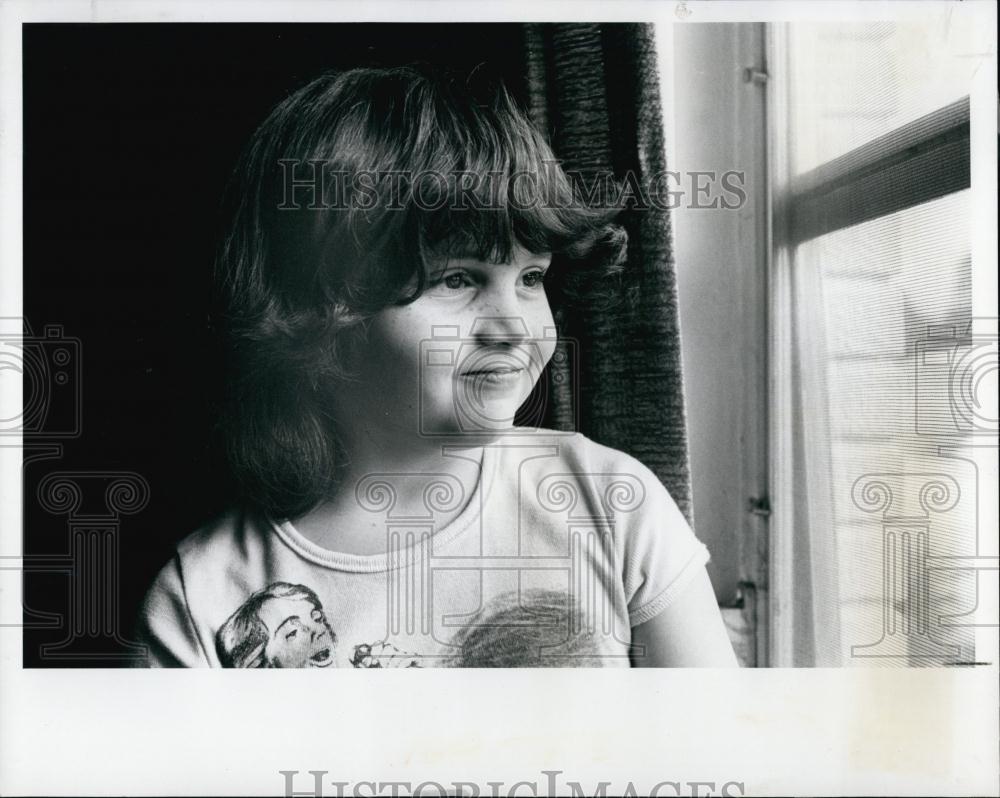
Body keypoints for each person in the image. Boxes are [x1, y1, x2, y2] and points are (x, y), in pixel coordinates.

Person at [134, 65, 737, 668]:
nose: (515, 326)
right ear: (321, 306)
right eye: (457, 279)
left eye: (531, 278)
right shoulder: (204, 597)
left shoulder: (612, 504)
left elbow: (717, 752)